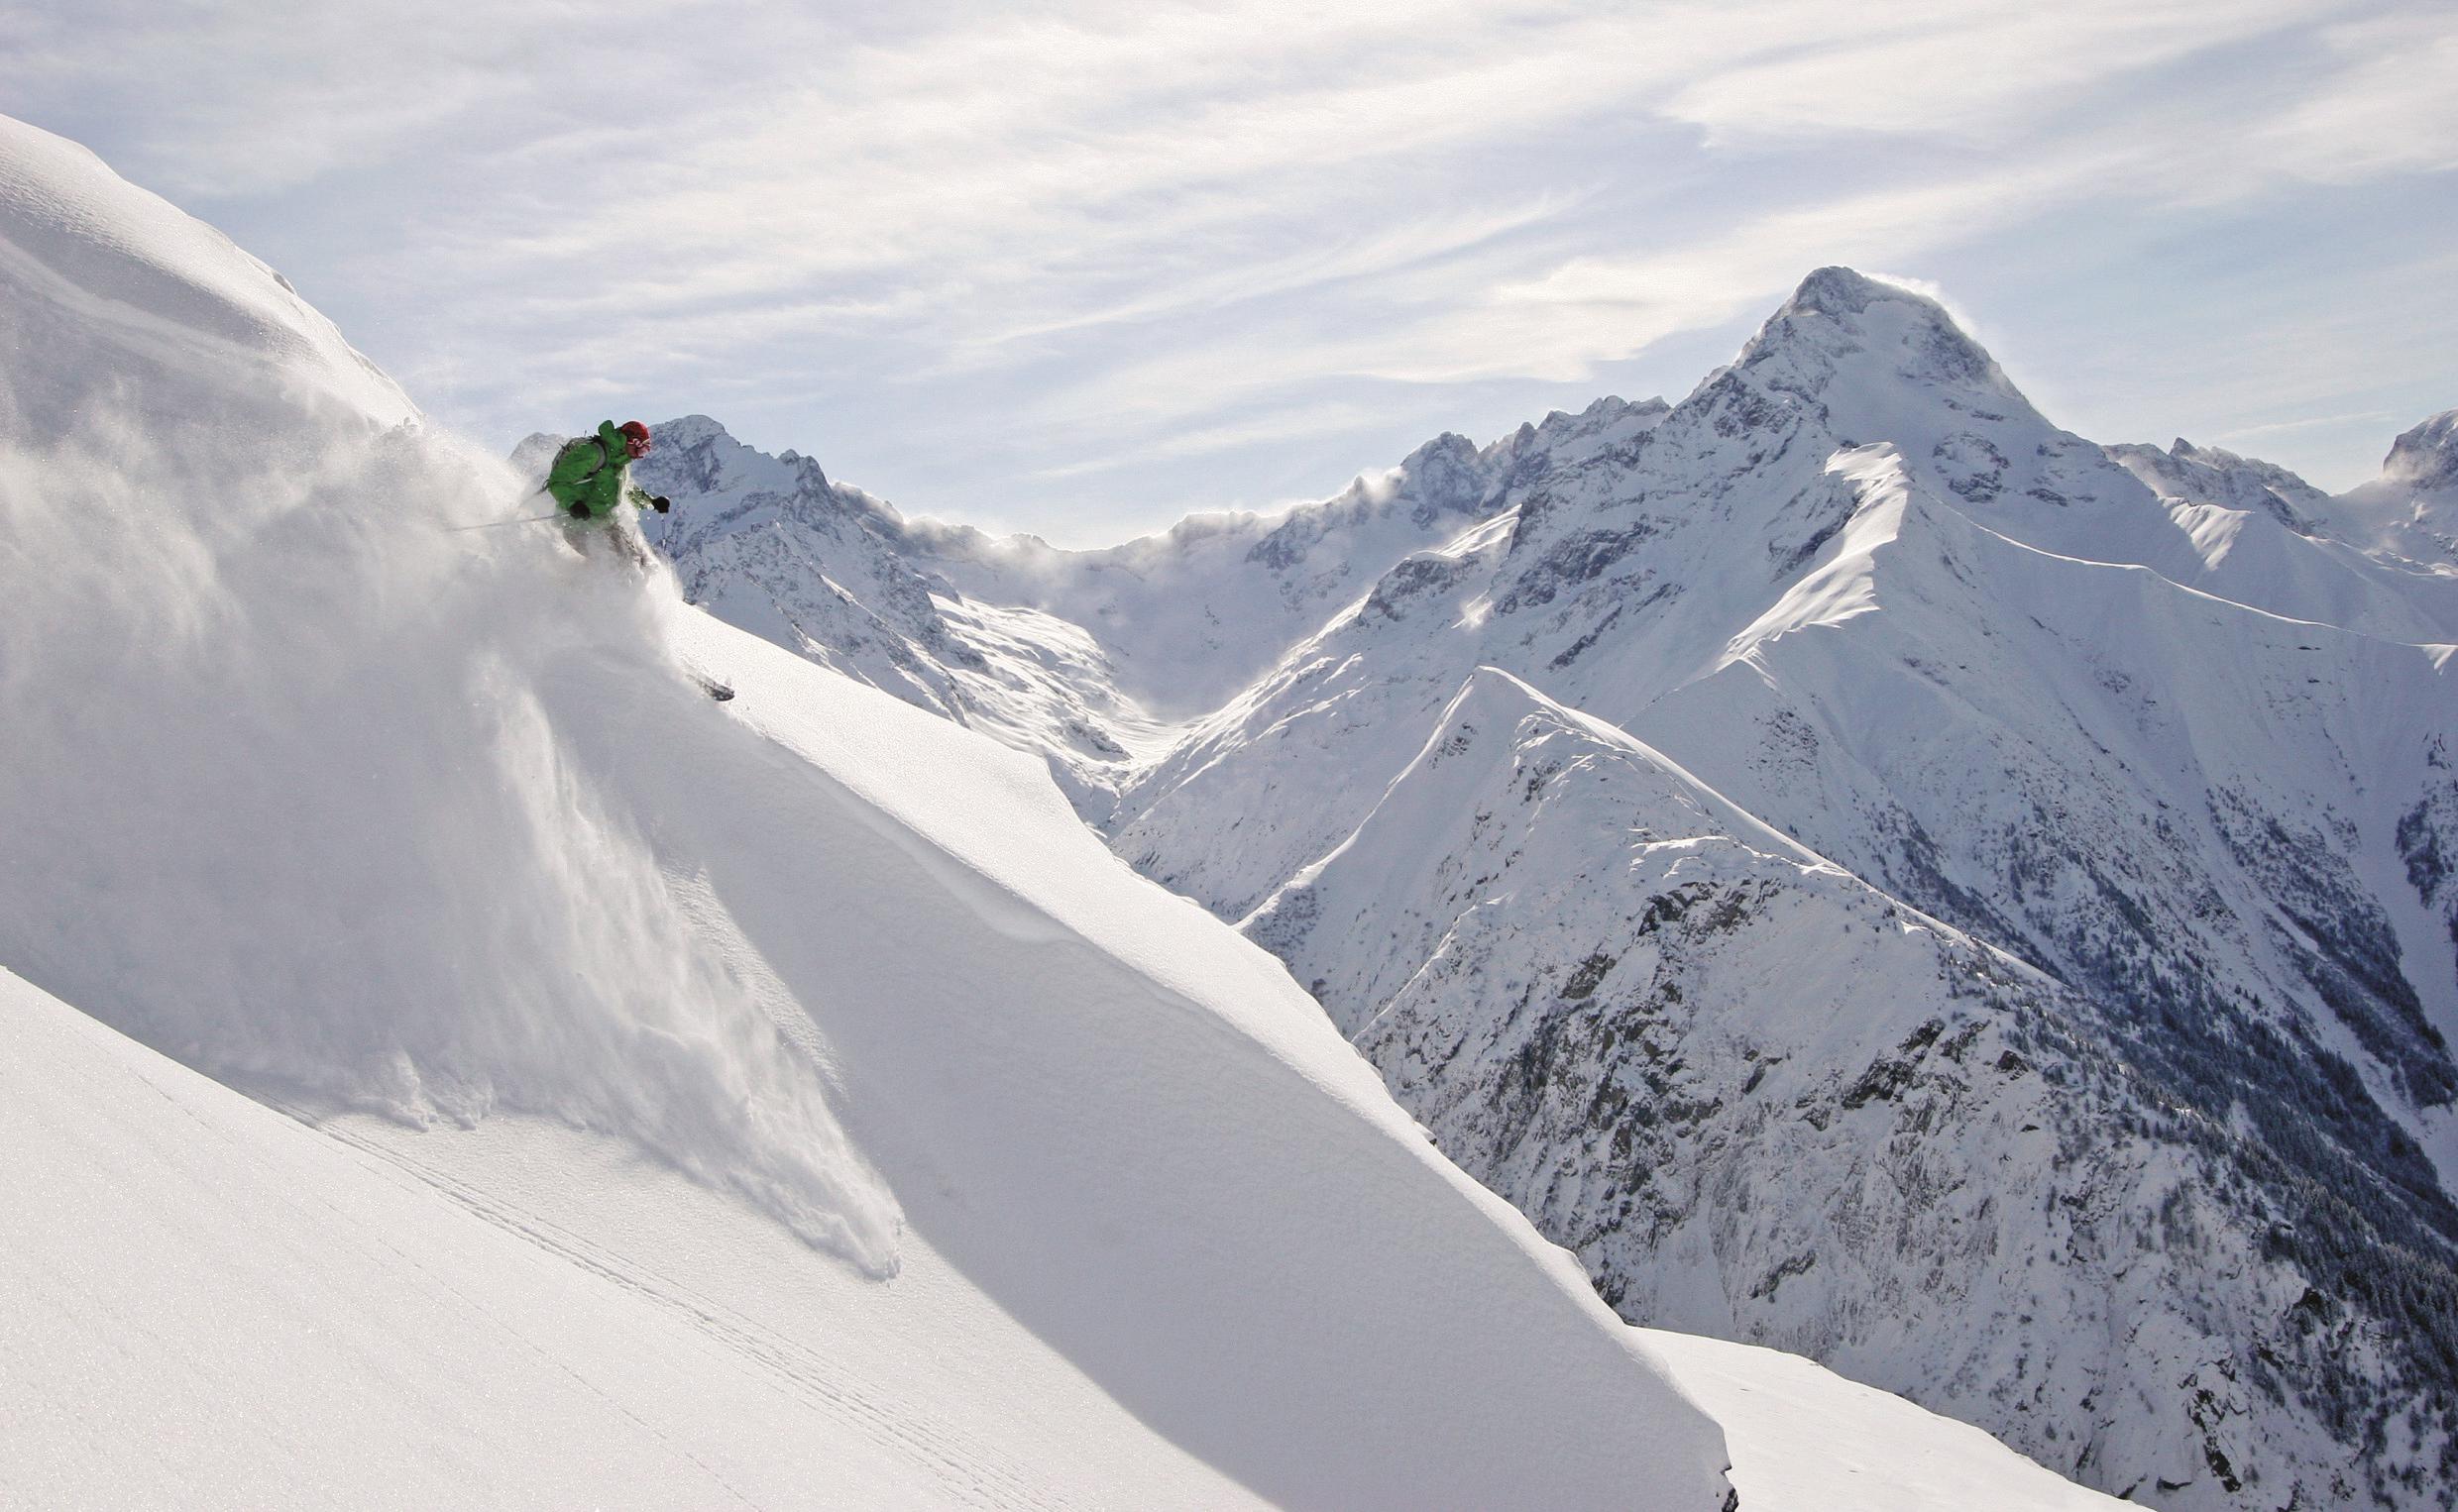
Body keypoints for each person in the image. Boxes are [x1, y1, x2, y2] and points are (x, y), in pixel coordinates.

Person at [545, 420, 671, 566]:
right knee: (622, 565)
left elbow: (626, 489)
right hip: (577, 525)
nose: (639, 456)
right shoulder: (592, 453)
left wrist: (652, 502)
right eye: (641, 450)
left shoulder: (620, 460)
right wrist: (573, 504)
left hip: (605, 522)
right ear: (631, 442)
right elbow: (557, 481)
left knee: (641, 562)